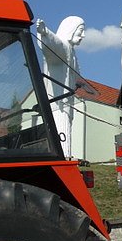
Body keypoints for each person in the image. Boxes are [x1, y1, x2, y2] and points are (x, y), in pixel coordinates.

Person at [36, 16, 86, 158]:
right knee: (60, 133)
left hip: (66, 104)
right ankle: (63, 159)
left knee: (65, 131)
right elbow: (55, 44)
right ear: (70, 30)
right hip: (57, 104)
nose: (83, 35)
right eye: (80, 30)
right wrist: (45, 33)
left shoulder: (72, 53)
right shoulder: (64, 48)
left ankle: (65, 157)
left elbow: (76, 76)